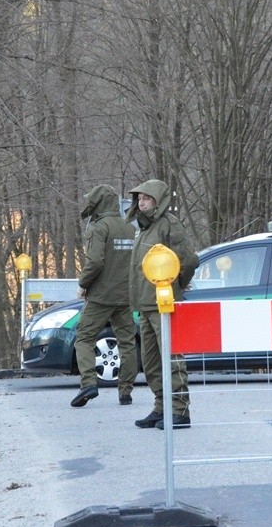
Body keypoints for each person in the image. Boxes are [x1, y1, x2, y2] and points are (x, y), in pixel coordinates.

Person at [127, 179, 199, 429]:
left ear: (158, 201)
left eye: (145, 198)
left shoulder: (169, 225)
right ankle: (162, 406)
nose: (140, 202)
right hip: (145, 305)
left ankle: (180, 410)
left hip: (164, 305)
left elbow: (188, 260)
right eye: (139, 198)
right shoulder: (143, 228)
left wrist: (176, 285)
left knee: (172, 357)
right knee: (150, 361)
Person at [71, 184, 138, 408]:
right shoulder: (130, 227)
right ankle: (126, 391)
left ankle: (88, 383)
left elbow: (95, 261)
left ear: (98, 203)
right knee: (127, 342)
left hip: (100, 296)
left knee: (84, 337)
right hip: (126, 295)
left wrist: (83, 284)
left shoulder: (98, 227)